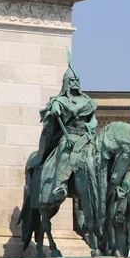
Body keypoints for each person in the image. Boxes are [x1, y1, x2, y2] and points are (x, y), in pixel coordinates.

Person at [29, 50, 98, 205]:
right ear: (66, 82)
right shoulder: (59, 100)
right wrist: (55, 109)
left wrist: (90, 125)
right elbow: (53, 109)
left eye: (77, 80)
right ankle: (60, 184)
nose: (74, 83)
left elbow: (94, 120)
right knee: (65, 153)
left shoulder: (87, 101)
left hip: (86, 136)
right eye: (71, 80)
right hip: (69, 136)